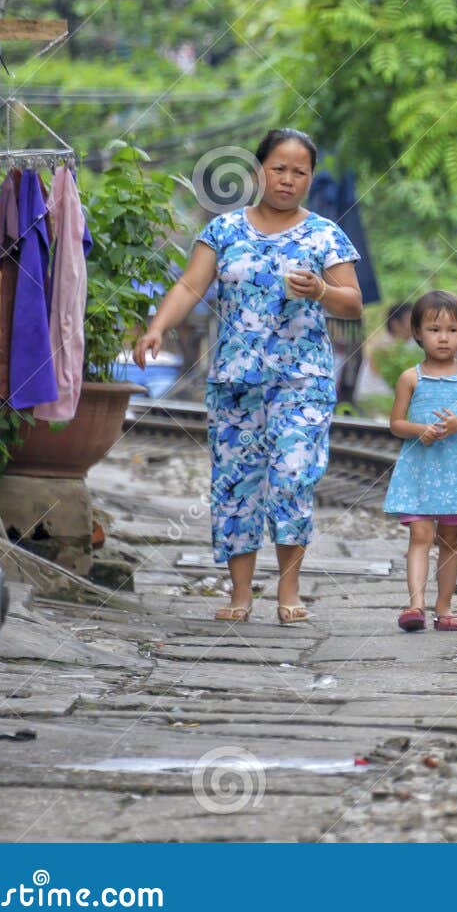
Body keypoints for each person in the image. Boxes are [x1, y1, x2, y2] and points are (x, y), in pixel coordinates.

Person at [135, 128, 363, 624]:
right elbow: (191, 286)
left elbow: (353, 302)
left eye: (299, 172)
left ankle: (289, 590)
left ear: (310, 178)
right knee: (237, 482)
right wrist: (157, 328)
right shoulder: (223, 231)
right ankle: (240, 594)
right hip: (236, 381)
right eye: (278, 168)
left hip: (302, 380)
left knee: (293, 476)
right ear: (259, 171)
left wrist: (322, 290)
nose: (287, 179)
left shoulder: (325, 234)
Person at [383, 291, 457, 632]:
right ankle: (415, 604)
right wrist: (420, 431)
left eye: (453, 330)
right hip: (420, 470)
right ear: (417, 332)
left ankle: (444, 607)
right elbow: (396, 424)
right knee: (420, 535)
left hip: (453, 471)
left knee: (450, 540)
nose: (444, 338)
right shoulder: (410, 378)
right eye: (434, 330)